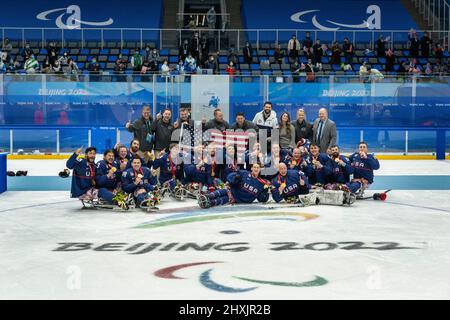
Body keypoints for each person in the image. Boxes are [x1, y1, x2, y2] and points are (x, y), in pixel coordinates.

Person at [198, 162, 272, 208]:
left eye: (258, 168)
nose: (256, 169)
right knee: (224, 191)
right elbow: (229, 176)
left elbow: (261, 199)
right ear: (252, 168)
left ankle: (210, 203)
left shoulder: (262, 183)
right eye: (254, 167)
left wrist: (266, 192)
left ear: (260, 169)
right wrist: (234, 178)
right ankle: (207, 196)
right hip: (232, 191)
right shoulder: (244, 173)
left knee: (223, 200)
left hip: (237, 200)